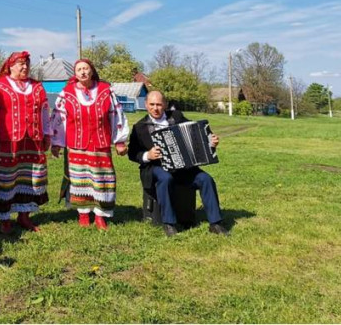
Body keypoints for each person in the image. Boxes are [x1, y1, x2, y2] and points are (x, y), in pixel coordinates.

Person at [128, 90, 228, 237]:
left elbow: (196, 132)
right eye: (152, 104)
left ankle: (215, 223)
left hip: (183, 168)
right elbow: (132, 153)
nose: (156, 108)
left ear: (165, 105)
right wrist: (147, 155)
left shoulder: (176, 117)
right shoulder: (140, 127)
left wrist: (210, 141)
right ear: (146, 105)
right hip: (155, 167)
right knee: (165, 178)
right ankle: (169, 224)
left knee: (206, 179)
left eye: (159, 104)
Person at [0, 51, 51, 234]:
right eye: (20, 64)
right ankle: (5, 218)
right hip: (9, 139)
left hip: (33, 139)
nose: (24, 67)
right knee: (7, 177)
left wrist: (47, 133)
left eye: (26, 63)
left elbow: (43, 112)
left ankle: (24, 216)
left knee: (29, 176)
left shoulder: (37, 87)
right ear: (10, 66)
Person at [50, 59, 129, 230]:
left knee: (102, 180)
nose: (83, 72)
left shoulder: (105, 91)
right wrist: (56, 142)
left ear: (92, 71)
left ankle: (100, 216)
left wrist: (120, 140)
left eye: (86, 69)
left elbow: (117, 115)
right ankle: (83, 214)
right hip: (77, 145)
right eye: (79, 69)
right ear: (75, 73)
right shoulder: (67, 93)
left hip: (100, 144)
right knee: (80, 180)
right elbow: (59, 119)